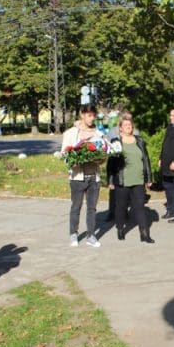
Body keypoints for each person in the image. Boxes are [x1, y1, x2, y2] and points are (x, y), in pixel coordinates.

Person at [61, 104, 107, 248]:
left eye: (93, 115)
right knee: (76, 206)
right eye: (89, 115)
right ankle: (73, 233)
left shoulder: (98, 133)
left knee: (92, 208)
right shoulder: (71, 133)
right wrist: (72, 162)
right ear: (82, 115)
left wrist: (101, 159)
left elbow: (103, 154)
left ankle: (91, 236)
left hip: (94, 177)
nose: (91, 118)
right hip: (77, 177)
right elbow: (64, 154)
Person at [106, 112, 154, 243]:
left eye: (130, 124)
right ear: (120, 127)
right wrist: (110, 180)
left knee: (140, 207)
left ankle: (144, 234)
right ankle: (120, 229)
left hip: (138, 180)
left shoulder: (139, 140)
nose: (128, 126)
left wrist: (149, 178)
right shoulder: (116, 142)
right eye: (125, 125)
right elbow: (111, 163)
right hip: (123, 181)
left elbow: (146, 160)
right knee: (121, 207)